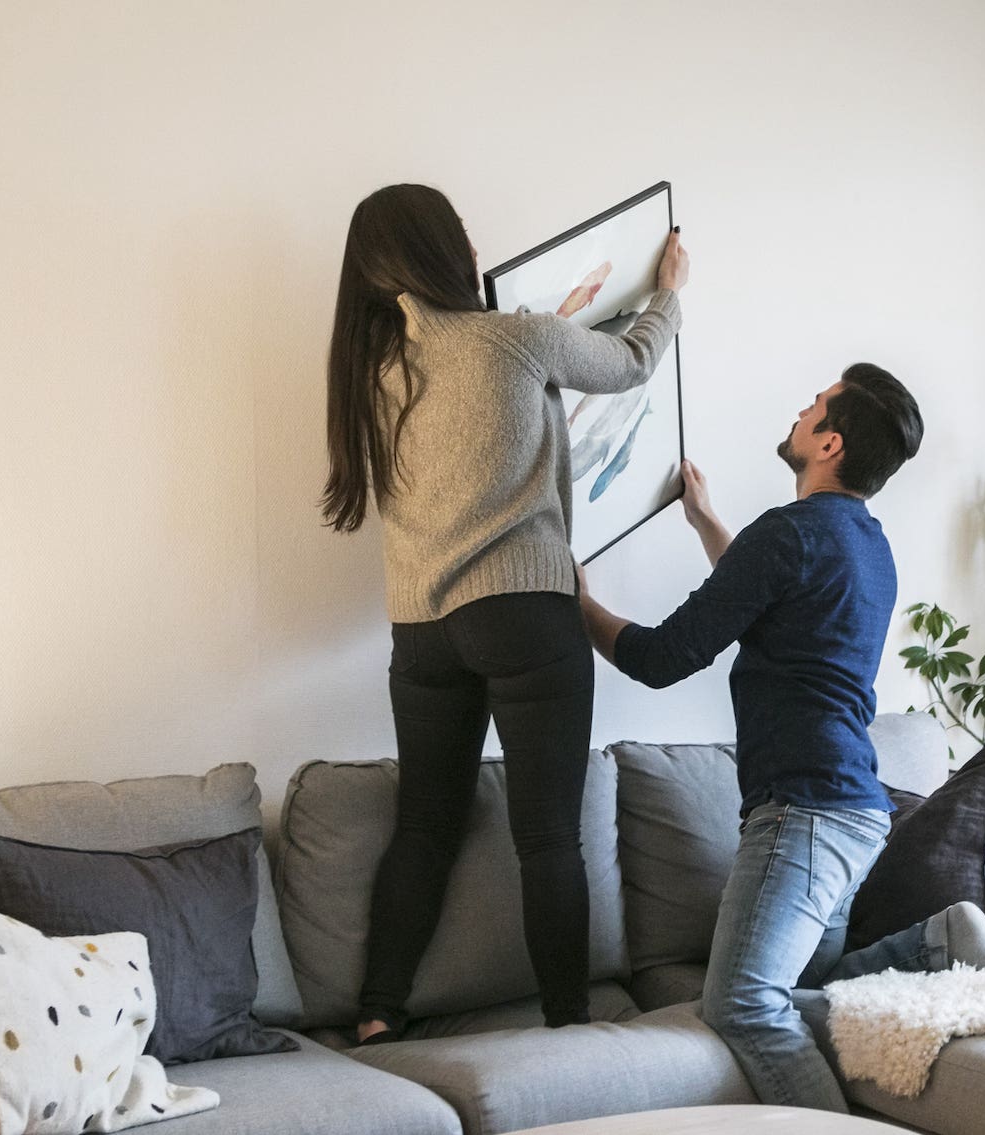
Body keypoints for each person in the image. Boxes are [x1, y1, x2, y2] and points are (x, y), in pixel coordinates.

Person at [577, 365, 985, 1111]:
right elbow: (765, 597)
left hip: (804, 813)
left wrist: (579, 605)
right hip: (855, 812)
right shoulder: (867, 545)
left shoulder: (786, 536)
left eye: (812, 406)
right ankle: (940, 942)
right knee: (808, 993)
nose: (798, 410)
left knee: (743, 1004)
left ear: (829, 441)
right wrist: (703, 520)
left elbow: (659, 658)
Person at [321, 183, 689, 1043]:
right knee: (549, 836)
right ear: (445, 250)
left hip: (420, 630)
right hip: (522, 611)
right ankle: (568, 1025)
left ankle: (378, 1010)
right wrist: (668, 289)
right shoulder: (512, 339)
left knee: (423, 826)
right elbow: (632, 360)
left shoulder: (372, 379)